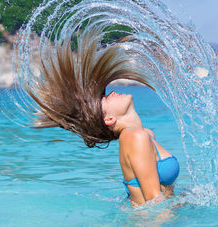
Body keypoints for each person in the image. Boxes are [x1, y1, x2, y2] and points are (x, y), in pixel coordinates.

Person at [25, 27, 179, 206]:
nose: (112, 92)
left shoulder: (144, 134)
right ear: (109, 119)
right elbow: (155, 202)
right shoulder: (136, 137)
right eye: (105, 98)